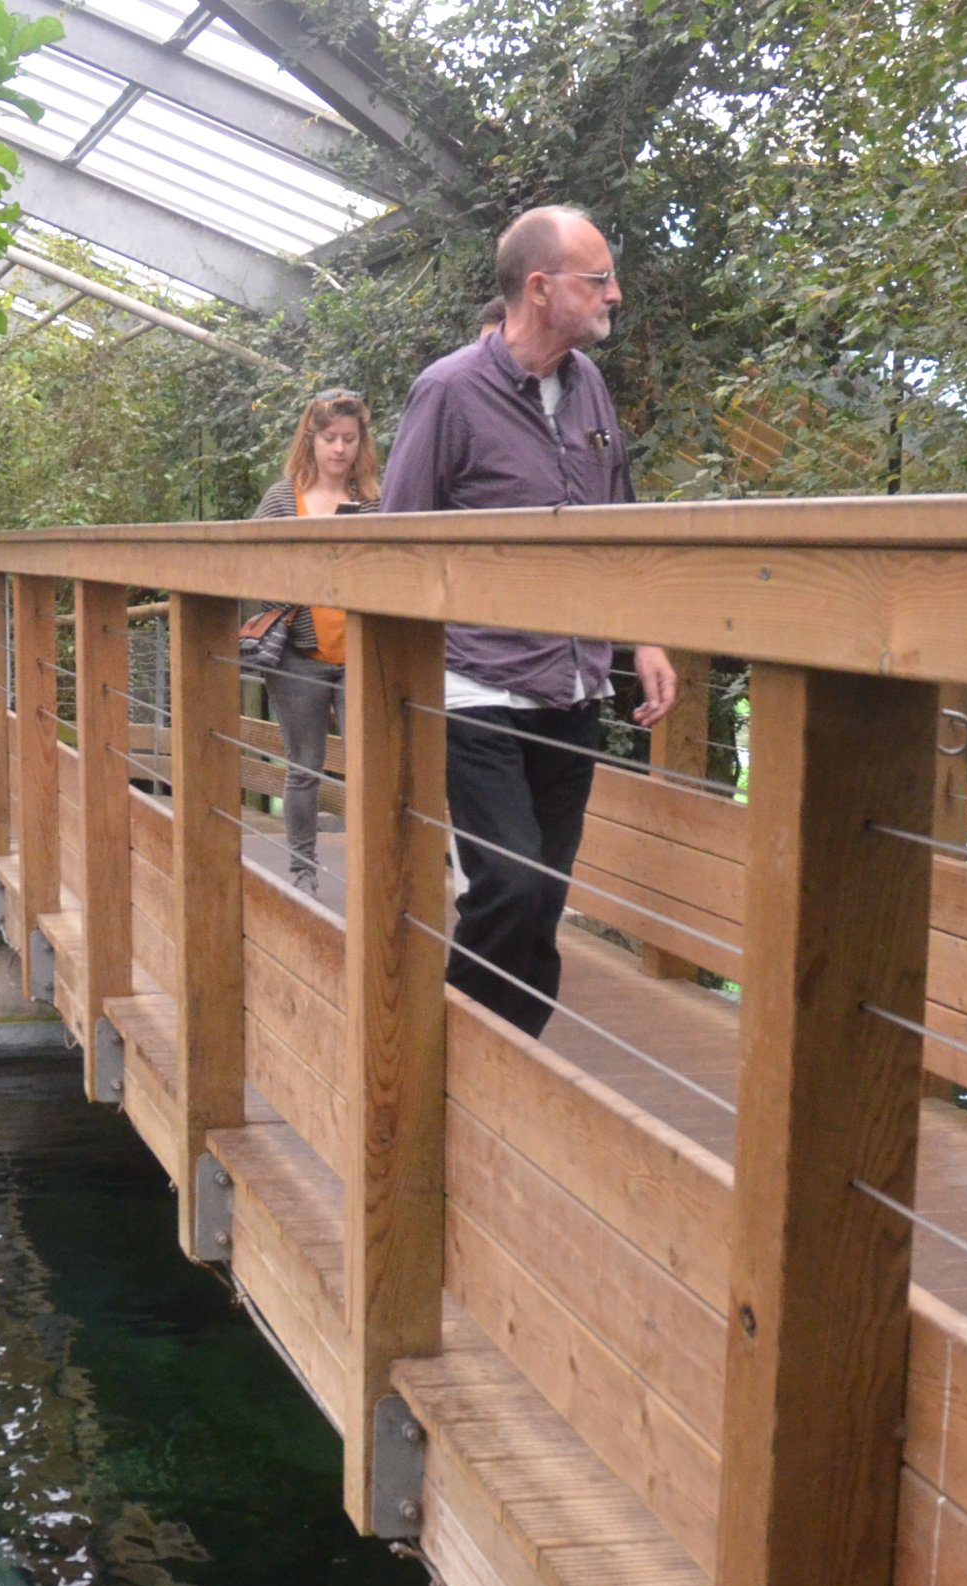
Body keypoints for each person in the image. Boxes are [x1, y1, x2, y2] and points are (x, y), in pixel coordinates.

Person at [379, 205, 679, 1036]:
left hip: (572, 682)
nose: (614, 294)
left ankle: (509, 1057)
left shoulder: (588, 388)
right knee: (507, 883)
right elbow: (398, 540)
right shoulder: (447, 391)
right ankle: (461, 1059)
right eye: (598, 279)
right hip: (473, 681)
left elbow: (618, 521)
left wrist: (643, 637)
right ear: (540, 289)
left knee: (544, 890)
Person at [245, 389, 380, 890]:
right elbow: (251, 568)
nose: (339, 449)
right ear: (312, 439)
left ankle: (372, 874)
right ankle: (302, 873)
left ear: (361, 442)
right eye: (329, 439)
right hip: (301, 656)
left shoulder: (374, 501)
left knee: (370, 767)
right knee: (305, 768)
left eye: (348, 438)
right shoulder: (283, 498)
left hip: (362, 654)